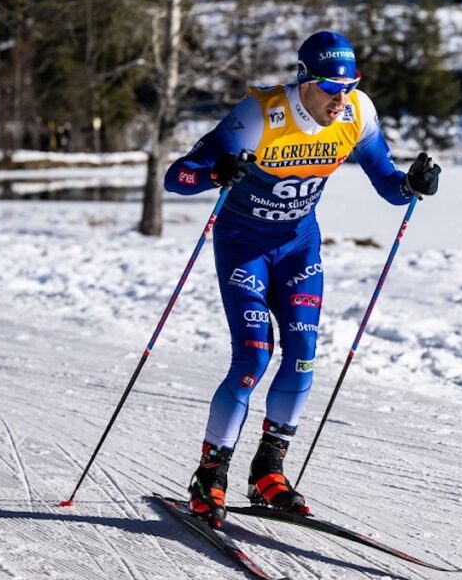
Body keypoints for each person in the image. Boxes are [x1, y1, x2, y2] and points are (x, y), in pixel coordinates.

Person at [163, 30, 441, 529]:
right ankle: (210, 474)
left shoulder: (358, 112)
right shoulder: (259, 117)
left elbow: (388, 185)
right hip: (244, 246)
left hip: (299, 247)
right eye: (331, 88)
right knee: (253, 355)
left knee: (303, 355)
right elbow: (176, 177)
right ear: (304, 81)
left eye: (350, 86)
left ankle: (268, 469)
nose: (341, 99)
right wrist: (215, 173)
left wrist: (411, 185)